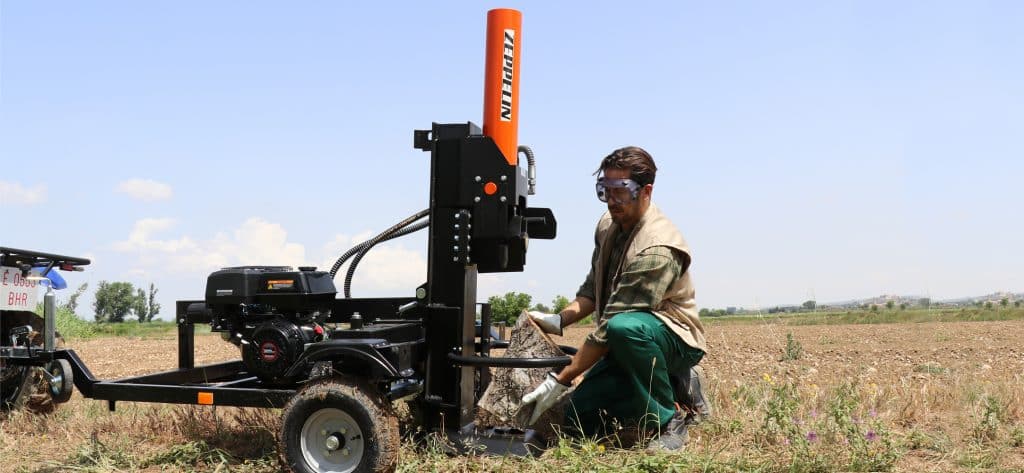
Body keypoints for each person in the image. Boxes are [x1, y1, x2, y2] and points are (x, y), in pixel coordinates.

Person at [520, 146, 710, 451]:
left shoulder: (658, 248)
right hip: (625, 339)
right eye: (604, 190)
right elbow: (592, 289)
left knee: (625, 328)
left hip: (672, 338)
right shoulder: (608, 226)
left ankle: (670, 419)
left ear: (645, 190)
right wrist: (560, 318)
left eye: (620, 191)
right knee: (575, 421)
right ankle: (673, 385)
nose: (611, 200)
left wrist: (561, 379)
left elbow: (613, 325)